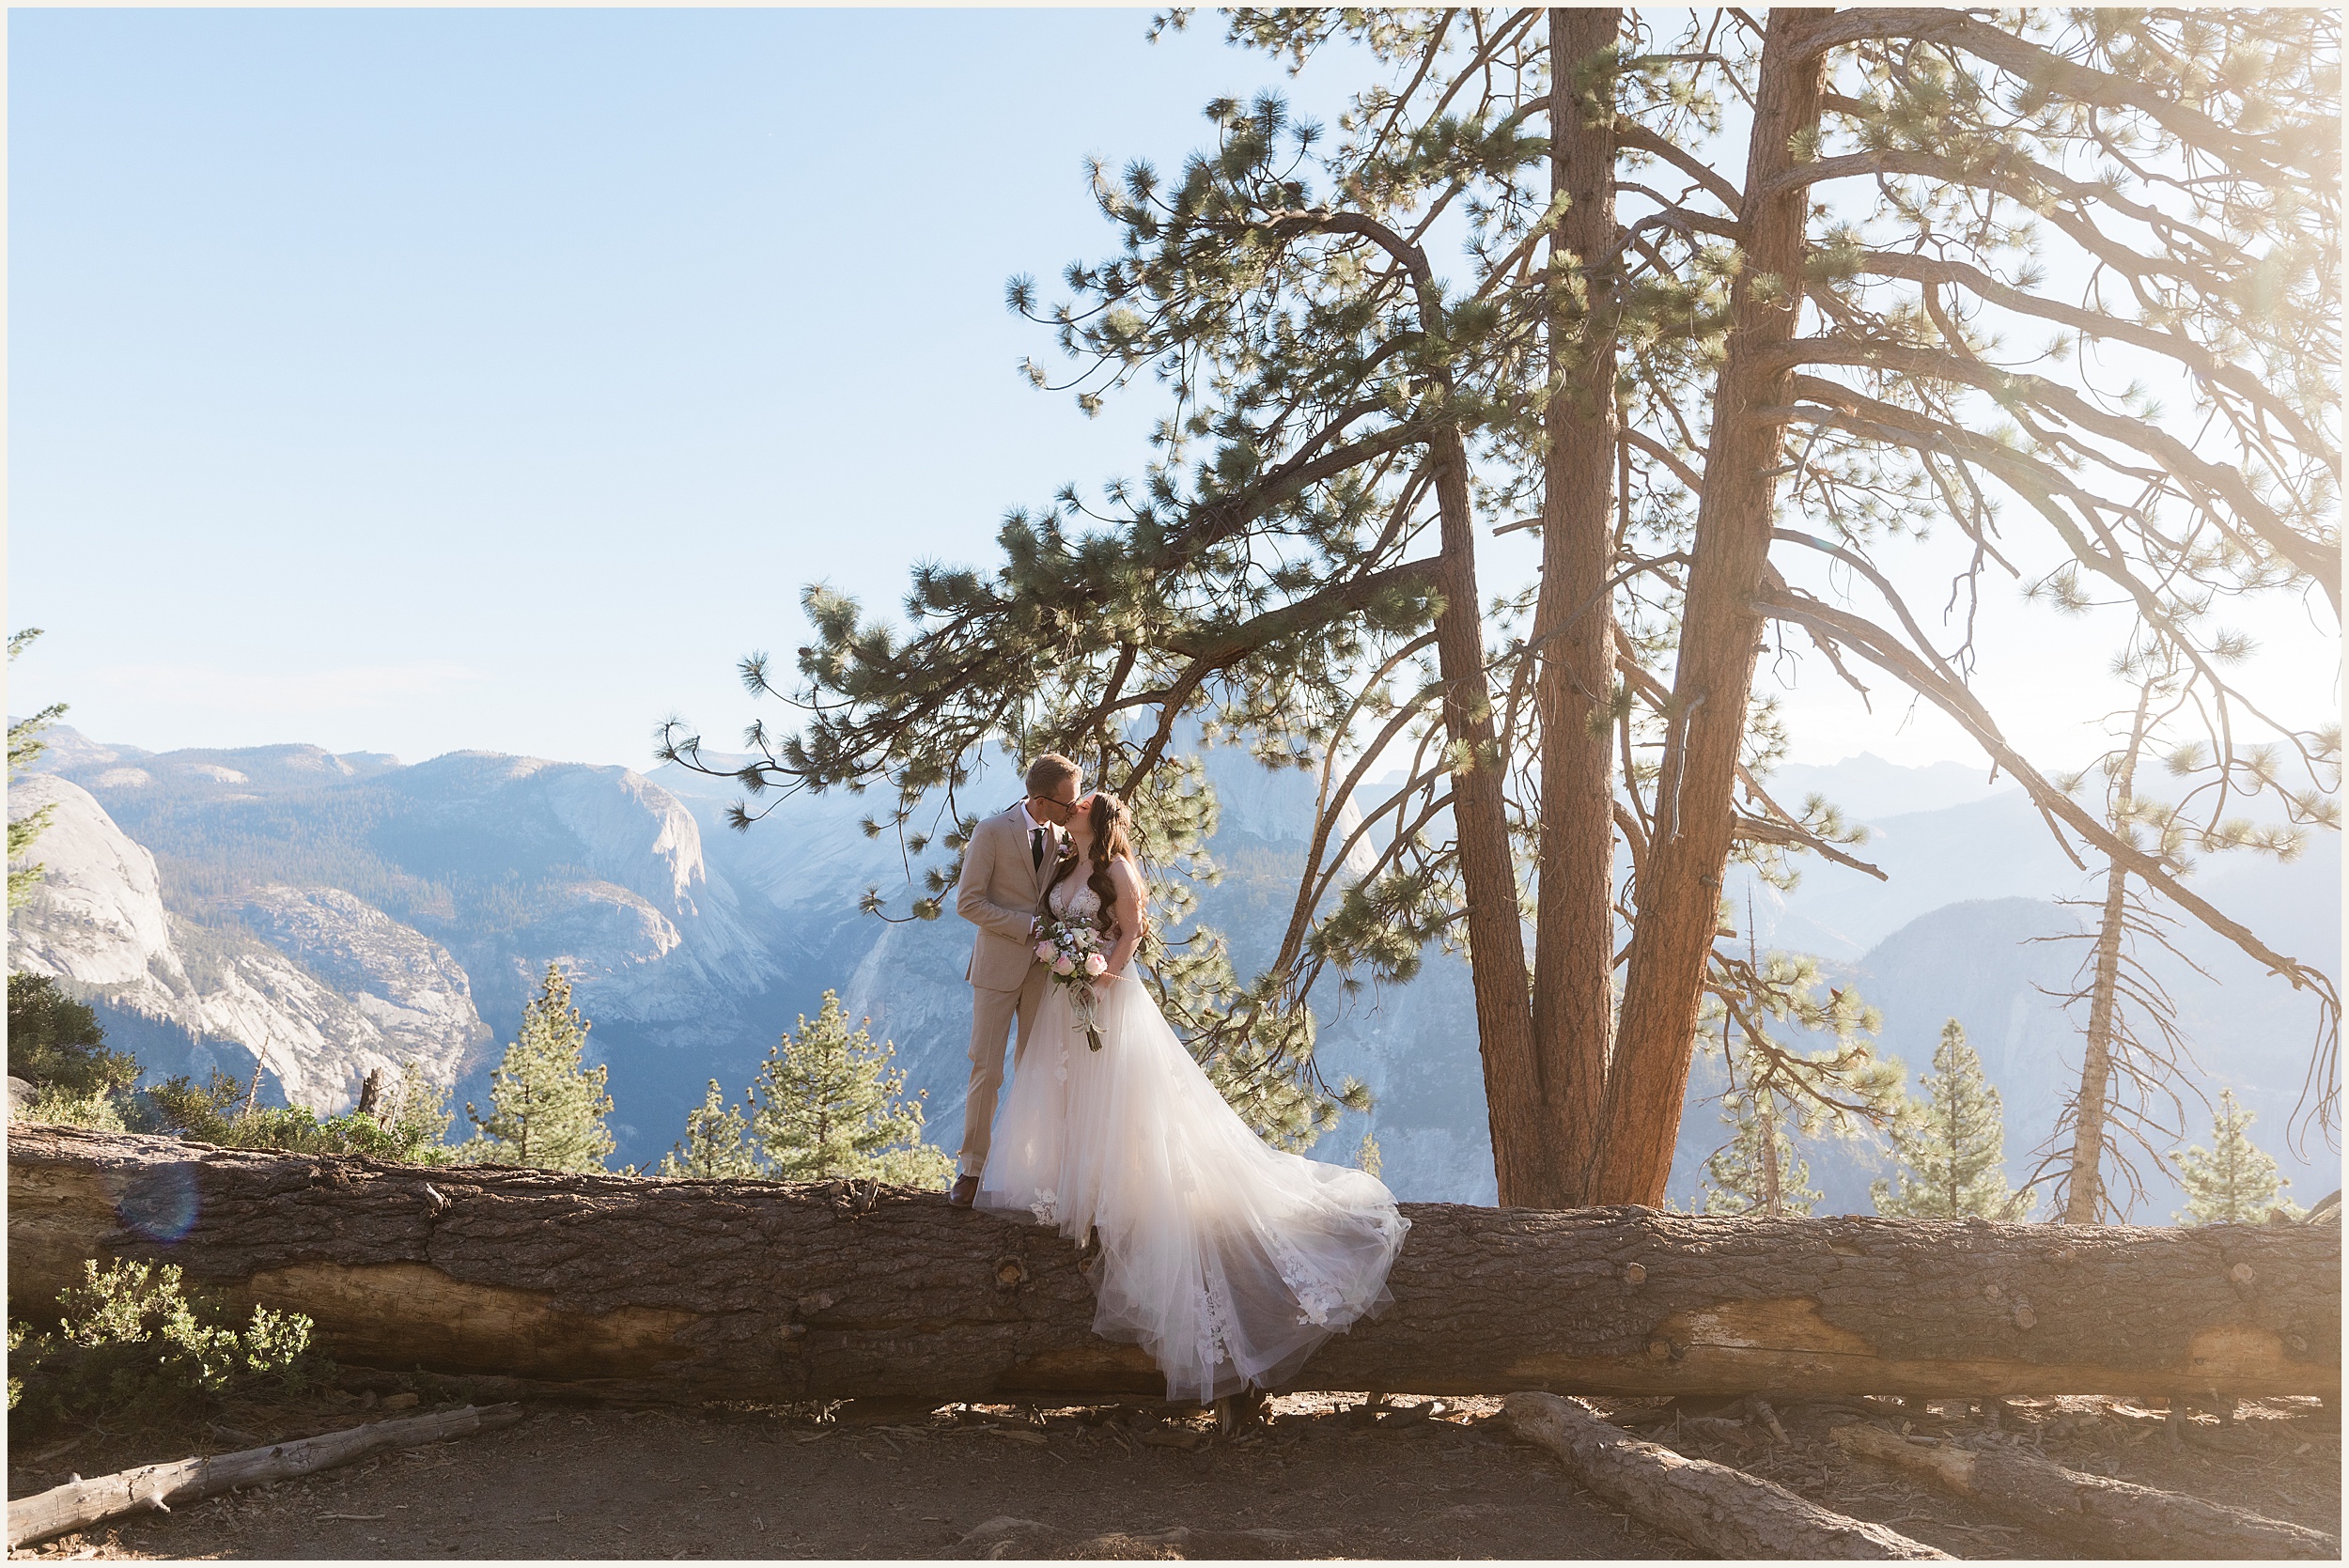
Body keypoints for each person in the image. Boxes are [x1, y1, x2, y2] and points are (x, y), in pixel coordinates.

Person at [976, 789, 1409, 1403]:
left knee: (1115, 1095)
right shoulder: (1064, 861)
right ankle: (1070, 1184)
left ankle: (1110, 1191)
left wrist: (1105, 973)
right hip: (1061, 1000)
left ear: (1094, 820)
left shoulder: (1117, 868)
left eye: (1077, 808)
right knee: (1067, 1091)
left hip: (1104, 997)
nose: (1069, 810)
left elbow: (1132, 930)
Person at [948, 753, 1083, 1209]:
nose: (1075, 808)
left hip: (1044, 973)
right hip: (996, 969)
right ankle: (972, 1169)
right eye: (1068, 802)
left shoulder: (1066, 836)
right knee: (987, 1069)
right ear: (1041, 801)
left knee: (1035, 1072)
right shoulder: (990, 832)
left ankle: (1024, 1171)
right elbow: (968, 903)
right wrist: (1025, 926)